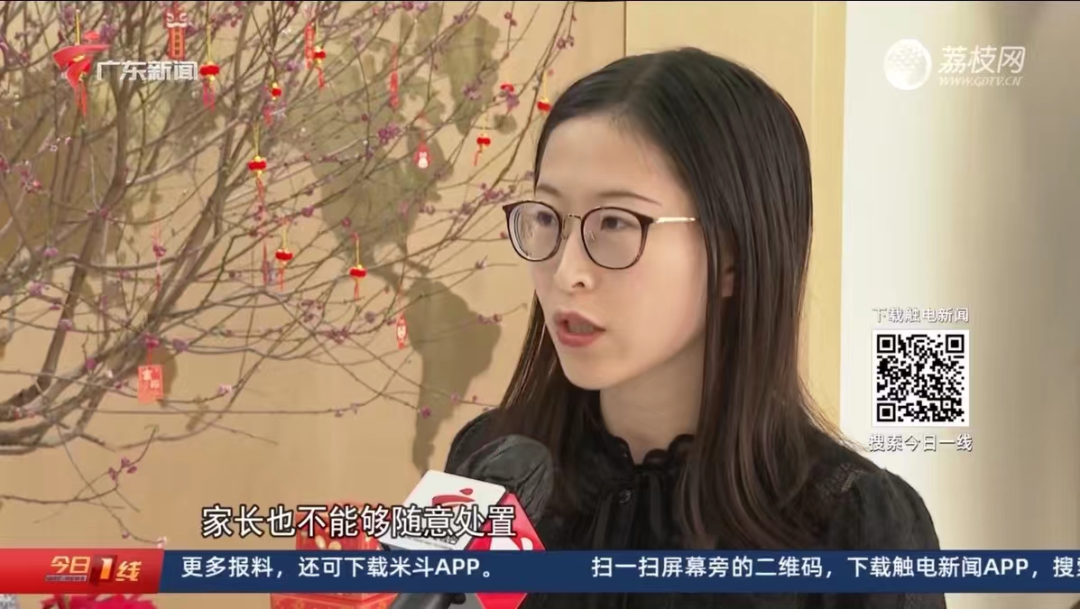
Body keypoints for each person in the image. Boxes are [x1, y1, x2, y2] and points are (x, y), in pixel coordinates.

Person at [447, 47, 945, 608]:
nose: (567, 272)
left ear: (731, 256)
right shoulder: (494, 463)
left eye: (615, 222)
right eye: (547, 217)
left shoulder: (853, 526)